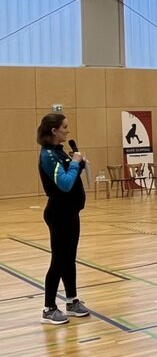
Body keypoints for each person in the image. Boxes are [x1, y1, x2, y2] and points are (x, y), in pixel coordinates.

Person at [37, 113, 90, 325]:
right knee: (58, 260)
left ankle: (71, 301)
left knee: (69, 259)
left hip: (71, 213)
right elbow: (65, 184)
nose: (68, 131)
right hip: (59, 214)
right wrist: (75, 164)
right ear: (54, 130)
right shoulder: (48, 156)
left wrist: (79, 164)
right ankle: (49, 308)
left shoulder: (59, 152)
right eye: (65, 127)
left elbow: (70, 175)